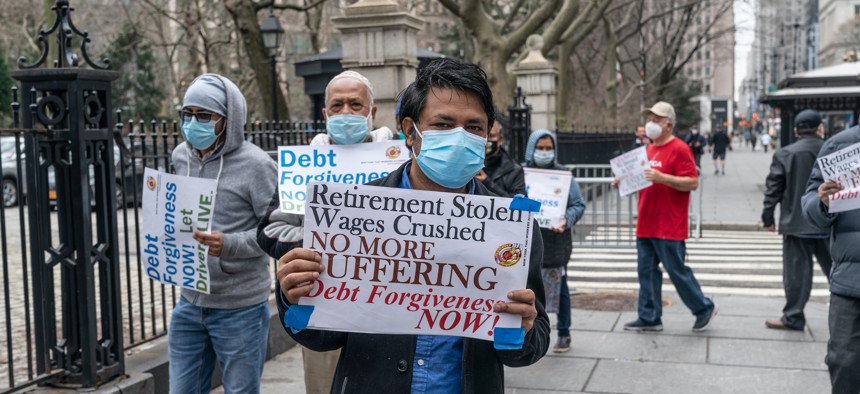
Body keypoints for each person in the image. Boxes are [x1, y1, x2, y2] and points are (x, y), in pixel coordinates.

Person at [274, 58, 549, 393]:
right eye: (443, 125)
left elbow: (529, 347)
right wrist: (293, 296)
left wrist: (524, 327)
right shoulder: (350, 214)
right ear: (409, 131)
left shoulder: (512, 228)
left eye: (474, 127)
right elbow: (321, 337)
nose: (459, 137)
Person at [256, 70, 392, 394]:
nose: (346, 113)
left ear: (371, 113)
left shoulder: (397, 164)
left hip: (387, 312)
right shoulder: (305, 168)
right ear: (325, 113)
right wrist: (322, 243)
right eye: (337, 105)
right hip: (324, 309)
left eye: (355, 105)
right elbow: (268, 229)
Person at [168, 74, 277, 393]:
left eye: (205, 115)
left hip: (240, 305)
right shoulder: (180, 156)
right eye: (187, 114)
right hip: (189, 300)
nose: (193, 122)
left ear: (228, 120)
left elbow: (276, 230)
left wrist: (228, 244)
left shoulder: (258, 165)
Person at [614, 101, 718, 332]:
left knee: (676, 270)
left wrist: (663, 178)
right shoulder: (647, 151)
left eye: (655, 119)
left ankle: (703, 308)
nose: (650, 123)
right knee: (646, 271)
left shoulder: (680, 148)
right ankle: (649, 316)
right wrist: (622, 183)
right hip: (646, 221)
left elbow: (692, 181)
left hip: (669, 223)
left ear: (668, 124)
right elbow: (641, 181)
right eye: (649, 118)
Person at [801, 123, 860, 393]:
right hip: (851, 282)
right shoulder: (840, 145)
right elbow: (811, 204)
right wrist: (822, 202)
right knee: (844, 362)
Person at [761, 109, 832, 332]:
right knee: (838, 272)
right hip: (828, 222)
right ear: (820, 128)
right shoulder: (832, 150)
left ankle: (793, 316)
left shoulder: (785, 153)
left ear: (795, 130)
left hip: (796, 222)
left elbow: (774, 188)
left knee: (796, 275)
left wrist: (768, 216)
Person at [524, 128, 585, 353]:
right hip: (527, 241)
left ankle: (564, 332)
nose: (544, 152)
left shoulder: (564, 174)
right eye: (540, 148)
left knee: (560, 289)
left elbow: (578, 204)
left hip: (555, 242)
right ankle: (527, 330)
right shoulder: (521, 172)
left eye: (549, 148)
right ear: (532, 149)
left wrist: (566, 220)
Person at [476, 117, 527, 197]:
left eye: (491, 136)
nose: (486, 140)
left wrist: (487, 182)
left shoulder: (514, 170)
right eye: (483, 136)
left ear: (500, 140)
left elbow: (519, 206)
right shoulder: (465, 162)